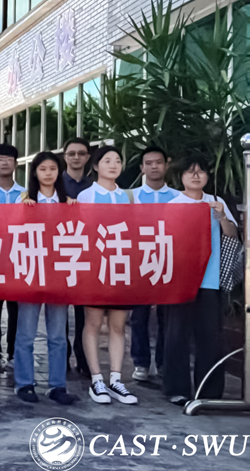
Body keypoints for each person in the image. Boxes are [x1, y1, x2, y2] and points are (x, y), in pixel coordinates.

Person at [163, 156, 235, 405]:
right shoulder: (173, 204)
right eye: (190, 171)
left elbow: (232, 236)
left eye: (201, 171)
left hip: (210, 279)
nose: (196, 176)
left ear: (207, 176)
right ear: (181, 176)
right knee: (176, 335)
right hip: (180, 280)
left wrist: (222, 217)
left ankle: (209, 392)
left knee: (210, 337)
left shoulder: (216, 202)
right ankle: (177, 389)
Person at [12, 152, 78, 405]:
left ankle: (57, 386)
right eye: (43, 169)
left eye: (52, 168)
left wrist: (73, 210)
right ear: (35, 172)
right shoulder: (23, 199)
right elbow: (11, 231)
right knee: (26, 333)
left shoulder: (67, 201)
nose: (48, 173)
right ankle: (24, 383)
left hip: (59, 272)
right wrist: (22, 212)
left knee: (58, 335)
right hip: (31, 271)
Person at [76, 144, 138, 405]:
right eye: (107, 160)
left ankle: (116, 379)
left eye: (117, 160)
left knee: (118, 325)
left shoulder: (128, 197)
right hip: (95, 267)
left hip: (121, 267)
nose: (113, 165)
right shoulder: (86, 196)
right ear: (95, 166)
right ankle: (96, 379)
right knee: (93, 323)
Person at [129, 145, 179, 382]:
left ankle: (163, 362)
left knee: (166, 316)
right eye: (148, 163)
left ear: (167, 165)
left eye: (158, 162)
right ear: (142, 168)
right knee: (138, 315)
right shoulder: (131, 197)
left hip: (170, 261)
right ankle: (140, 362)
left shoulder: (179, 198)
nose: (154, 167)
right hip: (140, 261)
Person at [0, 144, 24, 373]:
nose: (4, 163)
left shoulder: (27, 194)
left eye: (9, 159)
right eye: (0, 159)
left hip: (19, 260)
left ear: (16, 164)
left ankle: (14, 352)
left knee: (17, 310)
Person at [61, 137, 93, 378]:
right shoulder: (54, 184)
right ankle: (62, 356)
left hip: (88, 255)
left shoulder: (95, 187)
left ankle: (84, 357)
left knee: (86, 313)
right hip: (60, 254)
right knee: (60, 312)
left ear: (88, 157)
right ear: (65, 157)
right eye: (71, 153)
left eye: (81, 153)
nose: (76, 157)